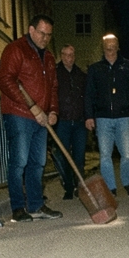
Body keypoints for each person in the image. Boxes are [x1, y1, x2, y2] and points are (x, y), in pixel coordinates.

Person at [0, 14, 62, 222]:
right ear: (31, 30)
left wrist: (53, 110)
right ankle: (18, 207)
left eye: (49, 35)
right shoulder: (16, 49)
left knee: (38, 162)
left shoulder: (49, 57)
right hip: (19, 114)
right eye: (42, 33)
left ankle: (35, 205)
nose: (45, 38)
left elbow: (53, 87)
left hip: (42, 118)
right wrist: (32, 107)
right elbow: (4, 80)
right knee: (20, 162)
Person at [85, 34, 129, 197]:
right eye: (107, 47)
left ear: (118, 47)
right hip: (103, 118)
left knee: (127, 155)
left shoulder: (128, 66)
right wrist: (89, 116)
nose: (110, 50)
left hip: (123, 118)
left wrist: (128, 104)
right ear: (103, 48)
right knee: (105, 156)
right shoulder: (95, 69)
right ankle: (110, 187)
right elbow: (89, 94)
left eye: (113, 46)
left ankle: (128, 183)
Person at [53, 44, 88, 200]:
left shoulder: (80, 74)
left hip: (79, 122)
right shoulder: (55, 73)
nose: (69, 58)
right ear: (61, 56)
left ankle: (79, 187)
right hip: (62, 121)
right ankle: (68, 187)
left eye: (71, 55)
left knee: (79, 157)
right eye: (66, 55)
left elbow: (86, 97)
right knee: (64, 155)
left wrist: (88, 116)